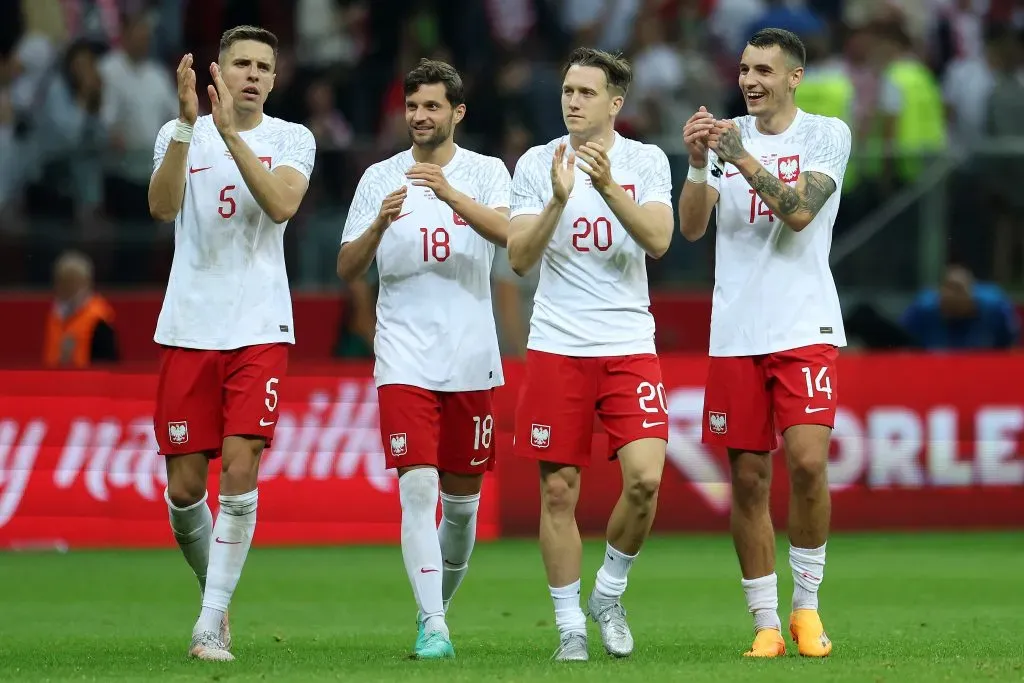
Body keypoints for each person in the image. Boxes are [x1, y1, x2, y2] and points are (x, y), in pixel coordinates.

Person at [678, 28, 852, 658]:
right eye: (745, 69)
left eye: (764, 71)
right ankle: (766, 623)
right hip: (735, 332)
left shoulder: (826, 133)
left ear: (794, 77)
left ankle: (807, 609)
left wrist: (738, 156)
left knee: (807, 463)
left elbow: (800, 211)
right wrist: (699, 162)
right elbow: (692, 230)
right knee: (748, 482)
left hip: (805, 325)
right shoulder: (724, 139)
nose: (750, 80)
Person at [147, 25, 316, 661]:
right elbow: (162, 208)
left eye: (262, 66)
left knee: (242, 467)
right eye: (240, 63)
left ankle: (209, 621)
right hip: (189, 324)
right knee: (186, 489)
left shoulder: (292, 139)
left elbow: (280, 206)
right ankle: (213, 598)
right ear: (218, 70)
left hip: (258, 326)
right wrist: (193, 129)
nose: (251, 74)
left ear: (274, 79)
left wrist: (229, 137)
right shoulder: (176, 133)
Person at [336, 59, 510, 660]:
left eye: (432, 106)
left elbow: (511, 237)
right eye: (413, 106)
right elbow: (347, 267)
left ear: (457, 113)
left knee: (461, 511)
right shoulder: (379, 179)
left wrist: (451, 193)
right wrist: (378, 227)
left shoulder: (487, 174)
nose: (419, 116)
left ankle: (430, 610)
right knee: (418, 487)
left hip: (471, 359)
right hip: (403, 359)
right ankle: (435, 626)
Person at [507, 47, 674, 661]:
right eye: (567, 91)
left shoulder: (646, 161)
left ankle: (609, 590)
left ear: (615, 102)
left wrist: (605, 185)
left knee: (646, 480)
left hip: (629, 343)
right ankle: (570, 626)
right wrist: (557, 198)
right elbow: (520, 259)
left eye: (585, 92)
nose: (573, 102)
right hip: (557, 345)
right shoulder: (535, 162)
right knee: (559, 494)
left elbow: (658, 241)